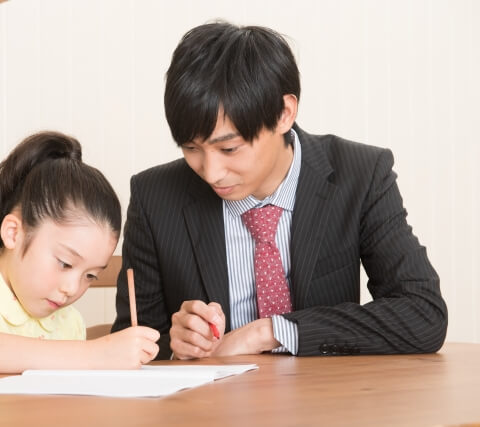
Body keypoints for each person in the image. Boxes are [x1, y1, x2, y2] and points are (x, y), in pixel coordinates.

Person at [112, 21, 447, 360]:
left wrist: (270, 331)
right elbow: (130, 343)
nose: (211, 173)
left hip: (328, 402)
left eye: (229, 149)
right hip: (210, 408)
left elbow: (423, 314)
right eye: (191, 148)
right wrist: (175, 345)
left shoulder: (360, 175)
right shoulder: (154, 197)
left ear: (284, 113)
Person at [0, 131, 159, 377]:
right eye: (65, 263)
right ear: (13, 233)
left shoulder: (69, 324)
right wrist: (94, 354)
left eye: (90, 276)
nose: (72, 288)